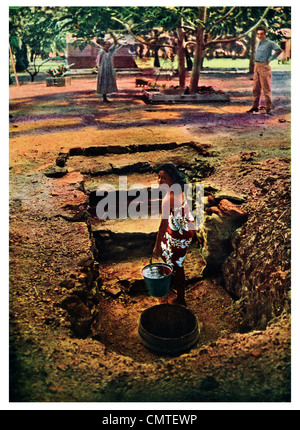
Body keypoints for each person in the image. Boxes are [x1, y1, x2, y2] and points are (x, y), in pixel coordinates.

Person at [152, 163, 195, 306]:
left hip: (181, 231)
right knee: (169, 253)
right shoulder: (179, 189)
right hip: (186, 226)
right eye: (159, 177)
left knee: (176, 263)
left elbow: (163, 226)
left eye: (164, 177)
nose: (160, 181)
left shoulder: (168, 199)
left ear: (172, 179)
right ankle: (172, 282)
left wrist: (156, 246)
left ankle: (181, 298)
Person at [247, 26, 282, 115]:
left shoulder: (269, 43)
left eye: (261, 34)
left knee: (266, 88)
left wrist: (270, 59)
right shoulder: (257, 43)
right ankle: (255, 107)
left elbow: (279, 50)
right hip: (256, 66)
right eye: (258, 34)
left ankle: (268, 108)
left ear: (265, 34)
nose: (260, 35)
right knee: (255, 88)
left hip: (264, 66)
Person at [91, 33, 120, 102]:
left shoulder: (111, 51)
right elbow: (95, 44)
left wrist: (112, 35)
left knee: (108, 81)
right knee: (103, 82)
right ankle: (104, 97)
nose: (107, 46)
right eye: (106, 44)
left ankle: (106, 96)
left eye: (108, 45)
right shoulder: (102, 51)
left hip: (109, 68)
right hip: (103, 69)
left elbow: (115, 43)